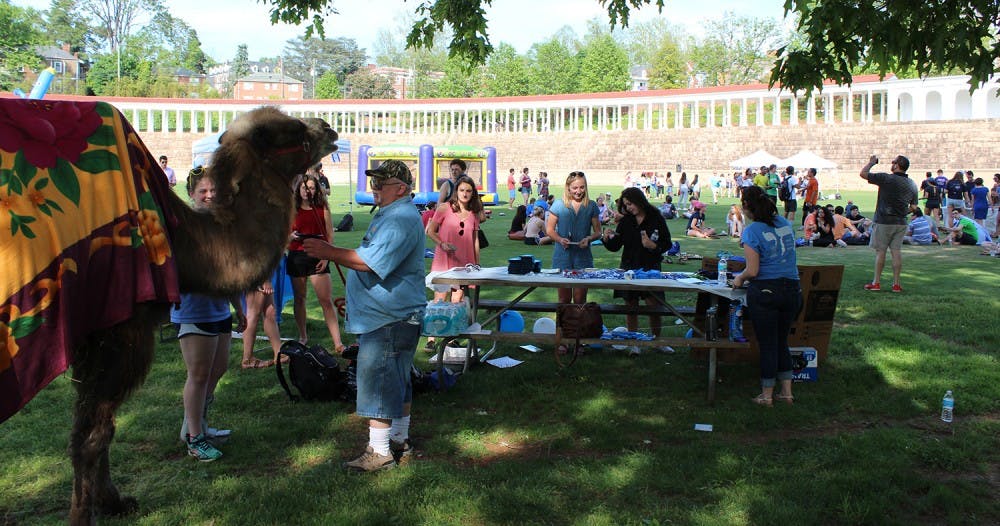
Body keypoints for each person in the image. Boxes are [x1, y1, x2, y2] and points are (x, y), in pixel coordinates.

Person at [302, 159, 426, 472]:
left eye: (381, 184)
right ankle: (398, 439)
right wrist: (357, 298)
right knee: (397, 379)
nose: (374, 189)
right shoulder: (393, 214)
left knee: (380, 380)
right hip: (388, 313)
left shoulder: (400, 218)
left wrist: (326, 250)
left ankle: (380, 452)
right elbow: (374, 264)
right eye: (373, 182)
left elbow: (371, 262)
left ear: (400, 189)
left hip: (389, 318)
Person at [172, 168, 247, 461]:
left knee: (217, 370)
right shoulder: (183, 227)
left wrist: (238, 308)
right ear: (191, 194)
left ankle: (196, 424)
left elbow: (228, 272)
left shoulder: (221, 226)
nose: (209, 196)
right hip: (194, 309)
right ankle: (195, 437)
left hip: (219, 309)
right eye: (203, 192)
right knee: (199, 374)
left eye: (213, 192)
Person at [733, 185, 801, 407]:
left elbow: (753, 270)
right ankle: (787, 393)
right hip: (792, 288)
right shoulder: (785, 224)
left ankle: (766, 395)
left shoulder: (752, 231)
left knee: (768, 344)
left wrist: (740, 278)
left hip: (766, 291)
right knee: (782, 342)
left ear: (746, 207)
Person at [601, 187, 672, 353]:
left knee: (653, 306)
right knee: (631, 306)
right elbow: (616, 246)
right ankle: (633, 342)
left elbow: (667, 243)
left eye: (630, 204)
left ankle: (657, 341)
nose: (628, 208)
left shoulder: (656, 218)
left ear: (639, 200)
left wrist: (652, 246)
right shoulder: (626, 221)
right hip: (629, 268)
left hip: (650, 268)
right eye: (626, 205)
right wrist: (606, 239)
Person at [287, 173, 345, 351]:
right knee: (300, 298)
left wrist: (326, 257)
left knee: (326, 300)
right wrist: (291, 236)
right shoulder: (292, 208)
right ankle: (303, 336)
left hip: (318, 255)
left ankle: (338, 343)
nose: (308, 191)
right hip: (297, 255)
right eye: (305, 188)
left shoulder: (322, 208)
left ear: (316, 190)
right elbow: (284, 236)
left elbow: (330, 234)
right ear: (299, 189)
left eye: (312, 188)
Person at [424, 175, 483, 349]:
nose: (465, 194)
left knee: (457, 300)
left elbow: (475, 240)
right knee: (440, 298)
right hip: (445, 258)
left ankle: (450, 337)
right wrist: (442, 243)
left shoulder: (474, 213)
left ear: (473, 193)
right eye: (462, 190)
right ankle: (432, 337)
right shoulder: (444, 208)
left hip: (465, 262)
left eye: (469, 191)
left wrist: (477, 263)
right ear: (456, 191)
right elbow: (430, 231)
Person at [545, 171, 601, 348]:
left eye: (582, 187)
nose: (578, 191)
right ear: (568, 187)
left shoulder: (591, 206)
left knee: (579, 300)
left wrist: (589, 239)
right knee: (563, 300)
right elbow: (549, 230)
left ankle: (579, 340)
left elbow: (598, 231)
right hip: (562, 257)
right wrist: (560, 239)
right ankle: (562, 340)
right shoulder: (559, 205)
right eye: (575, 187)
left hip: (583, 258)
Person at [860, 155, 918, 292]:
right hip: (901, 222)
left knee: (880, 252)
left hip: (884, 221)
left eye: (893, 162)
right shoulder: (912, 184)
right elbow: (914, 207)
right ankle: (896, 284)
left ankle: (876, 282)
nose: (892, 164)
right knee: (896, 252)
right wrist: (904, 212)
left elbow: (863, 174)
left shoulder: (886, 178)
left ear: (897, 165)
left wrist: (871, 163)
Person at [240, 275, 282, 370]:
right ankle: (247, 359)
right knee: (254, 313)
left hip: (262, 273)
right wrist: (265, 280)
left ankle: (279, 353)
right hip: (257, 274)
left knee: (270, 312)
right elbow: (256, 260)